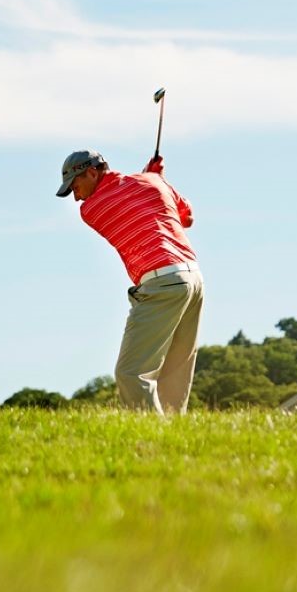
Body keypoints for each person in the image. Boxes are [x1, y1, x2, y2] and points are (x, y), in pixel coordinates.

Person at [57, 149, 202, 413]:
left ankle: (152, 434)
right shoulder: (153, 183)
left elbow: (124, 196)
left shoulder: (91, 209)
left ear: (92, 172)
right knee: (174, 371)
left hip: (162, 281)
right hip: (193, 279)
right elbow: (186, 218)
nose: (77, 198)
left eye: (75, 187)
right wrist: (156, 179)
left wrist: (151, 176)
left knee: (131, 373)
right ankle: (173, 433)